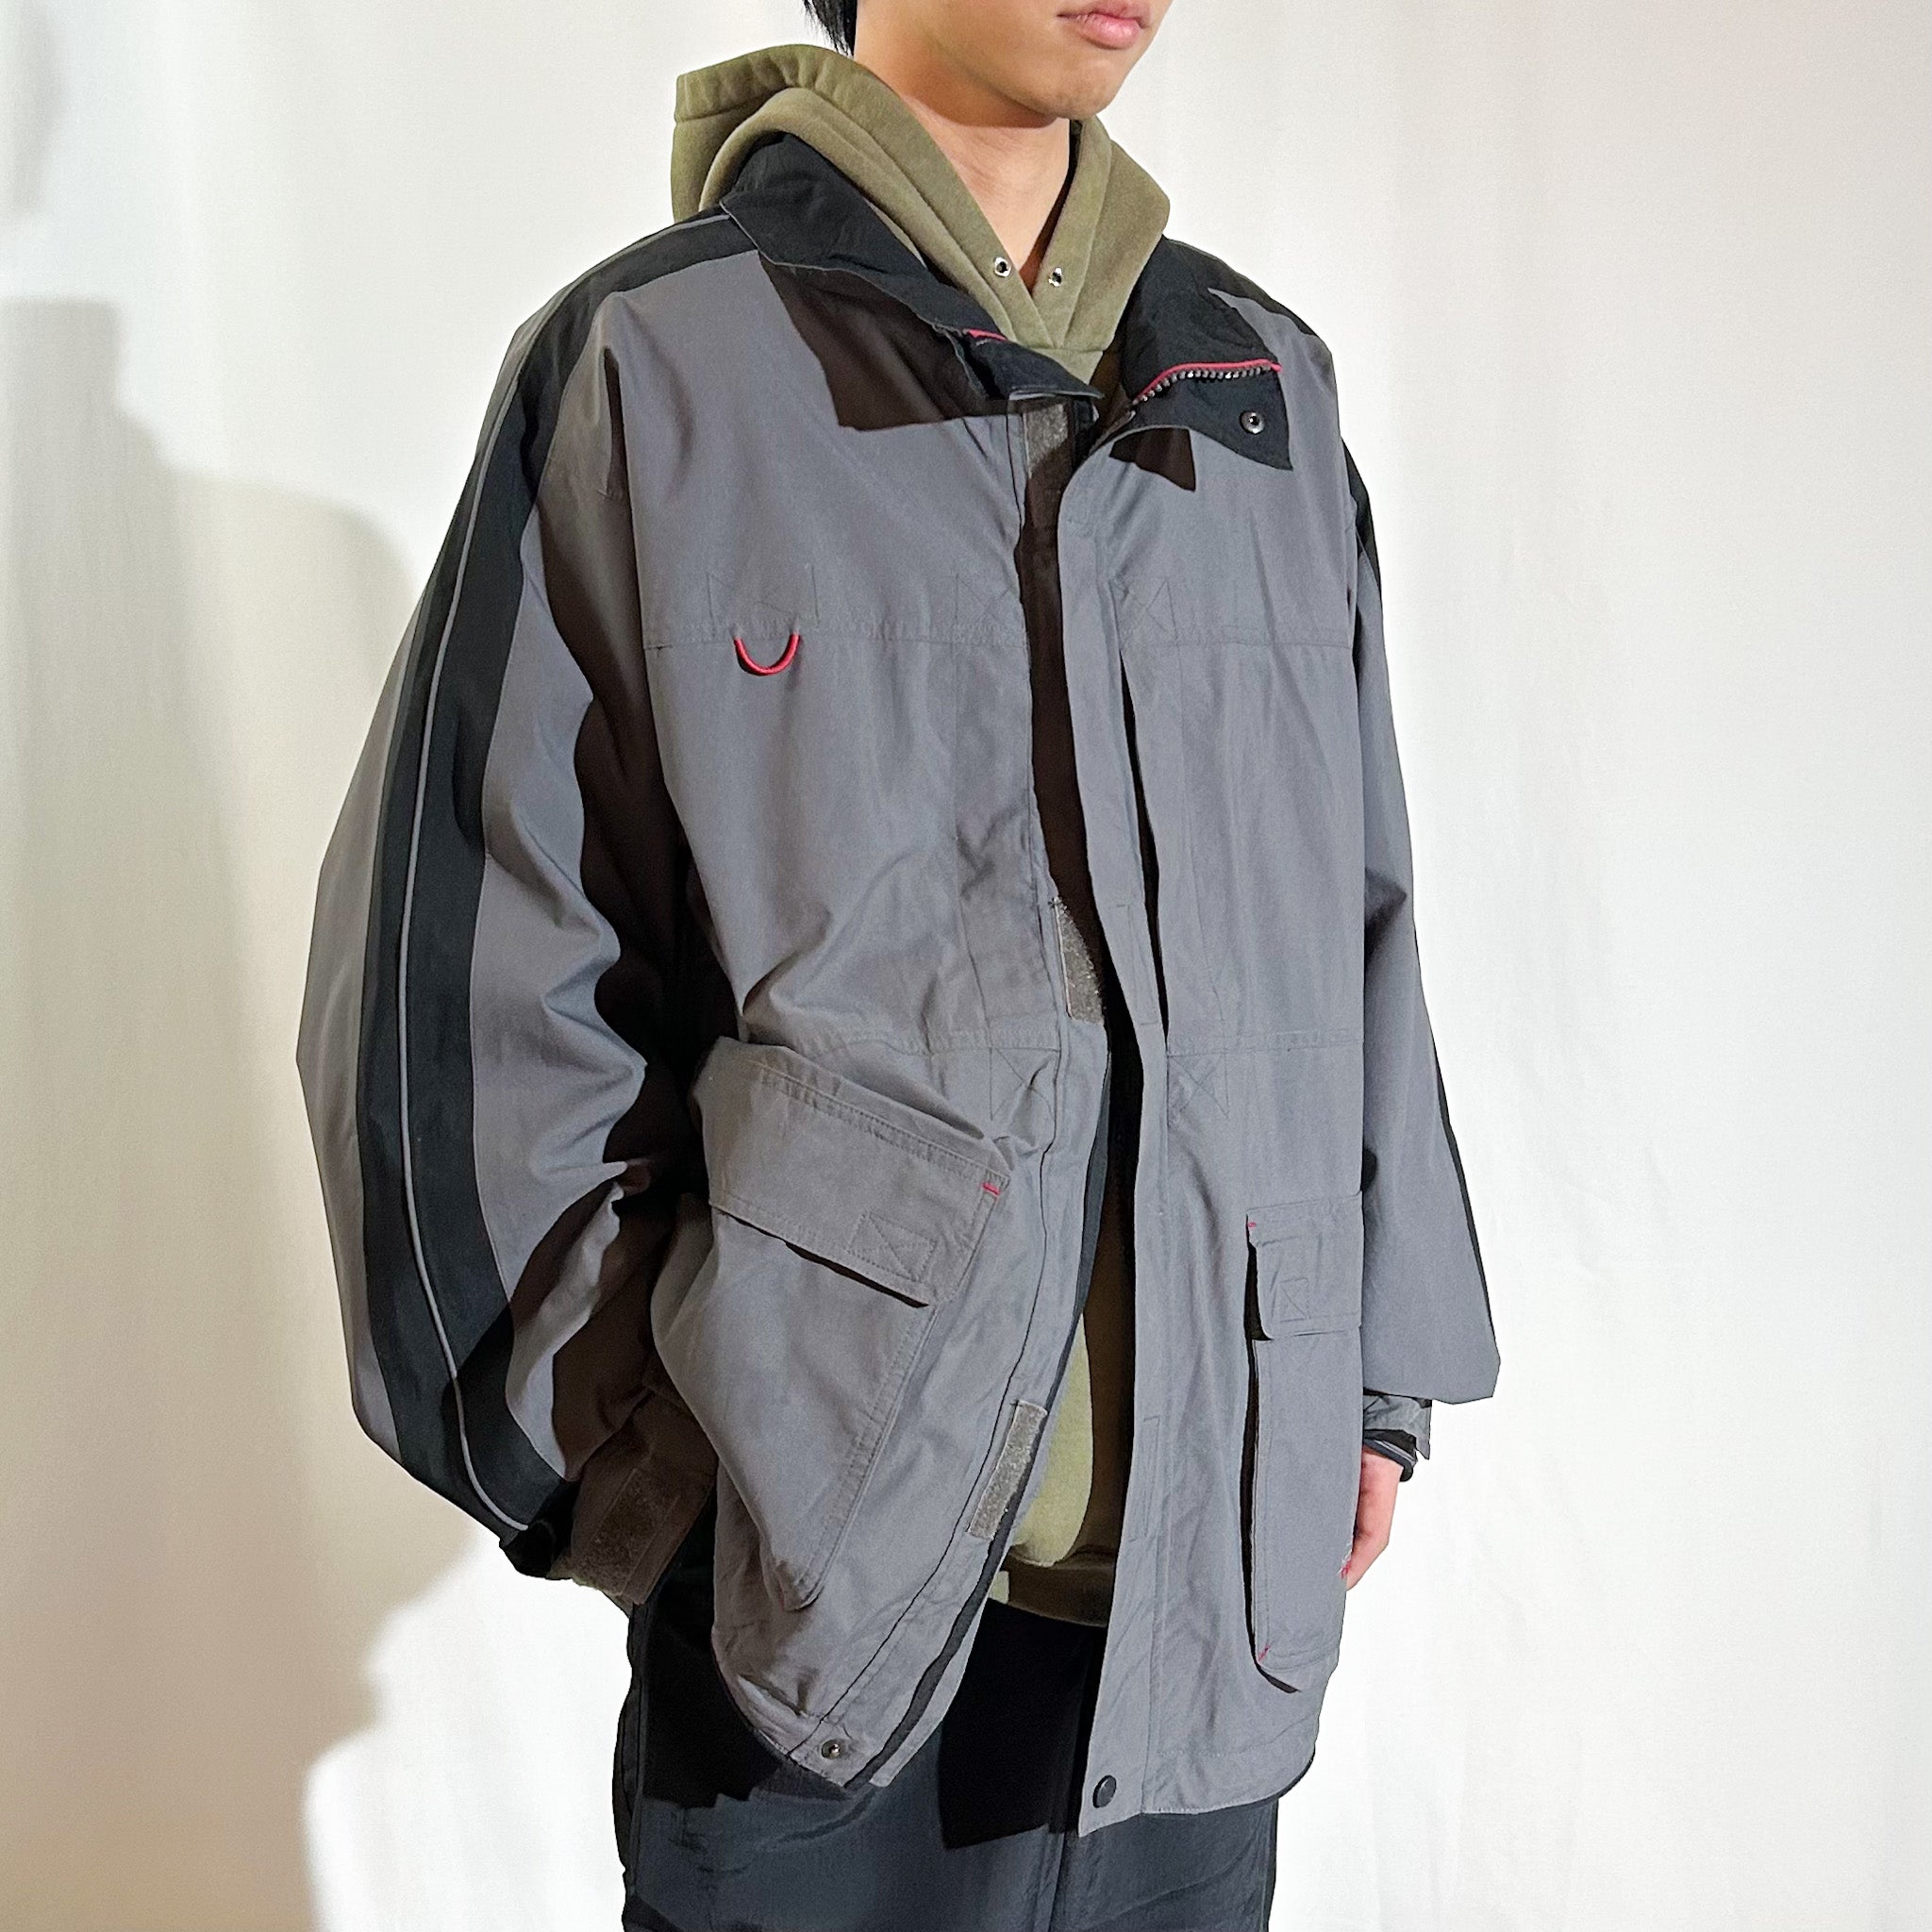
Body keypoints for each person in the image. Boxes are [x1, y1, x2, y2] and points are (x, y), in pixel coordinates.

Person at [296, 0, 1501, 1924]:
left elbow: (1356, 923)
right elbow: (463, 988)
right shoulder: (659, 364)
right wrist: (655, 1490)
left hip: (1207, 1622)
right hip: (812, 1642)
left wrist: (1364, 1387)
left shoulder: (1256, 380)